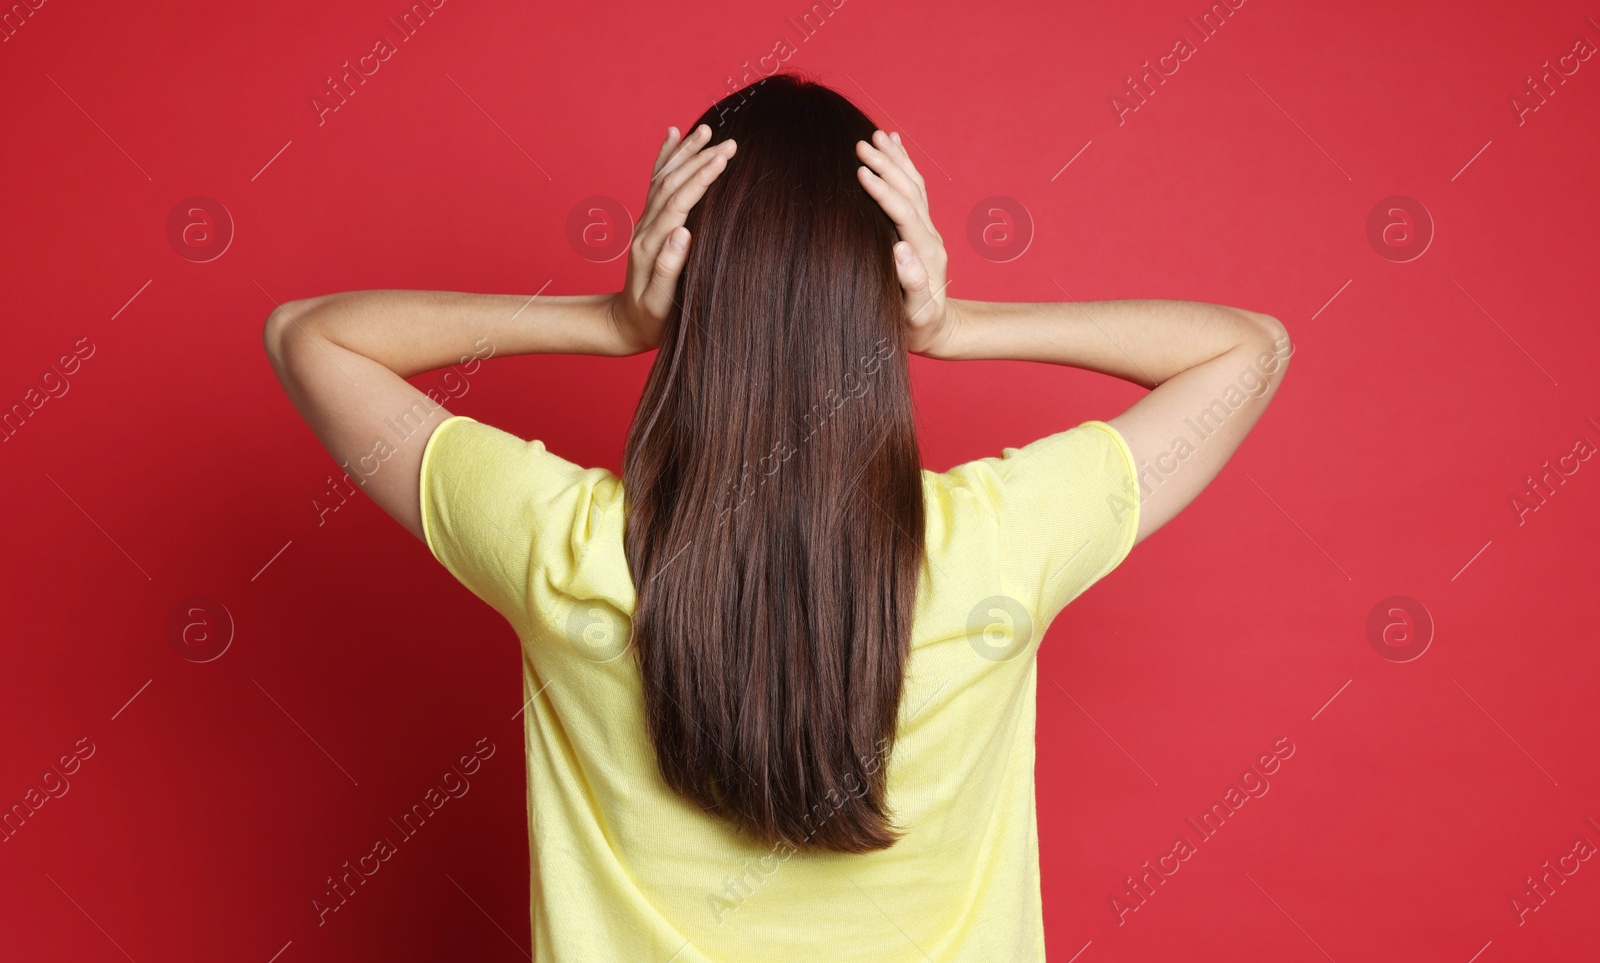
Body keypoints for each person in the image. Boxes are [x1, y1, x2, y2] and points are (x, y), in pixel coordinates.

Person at [263, 72, 1289, 961]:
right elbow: (1249, 351)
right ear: (884, 290)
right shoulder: (998, 540)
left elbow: (309, 336)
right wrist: (948, 321)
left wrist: (611, 320)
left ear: (686, 293)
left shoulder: (565, 546)